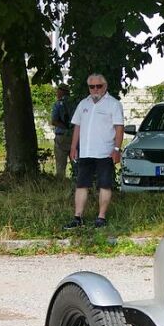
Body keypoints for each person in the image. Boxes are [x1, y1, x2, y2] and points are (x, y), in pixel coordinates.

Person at [65, 73, 124, 230]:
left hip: (105, 152)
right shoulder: (83, 104)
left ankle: (101, 217)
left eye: (99, 86)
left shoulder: (113, 104)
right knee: (81, 184)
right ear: (89, 88)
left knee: (104, 185)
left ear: (105, 87)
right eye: (92, 87)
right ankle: (77, 217)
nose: (95, 89)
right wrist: (73, 147)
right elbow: (77, 126)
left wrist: (117, 149)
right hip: (86, 152)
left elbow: (119, 128)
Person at [50, 84, 74, 182]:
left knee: (60, 165)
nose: (56, 93)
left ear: (62, 91)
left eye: (58, 90)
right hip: (75, 135)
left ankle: (61, 186)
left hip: (61, 137)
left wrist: (65, 127)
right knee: (76, 164)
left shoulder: (58, 104)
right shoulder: (75, 104)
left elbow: (54, 121)